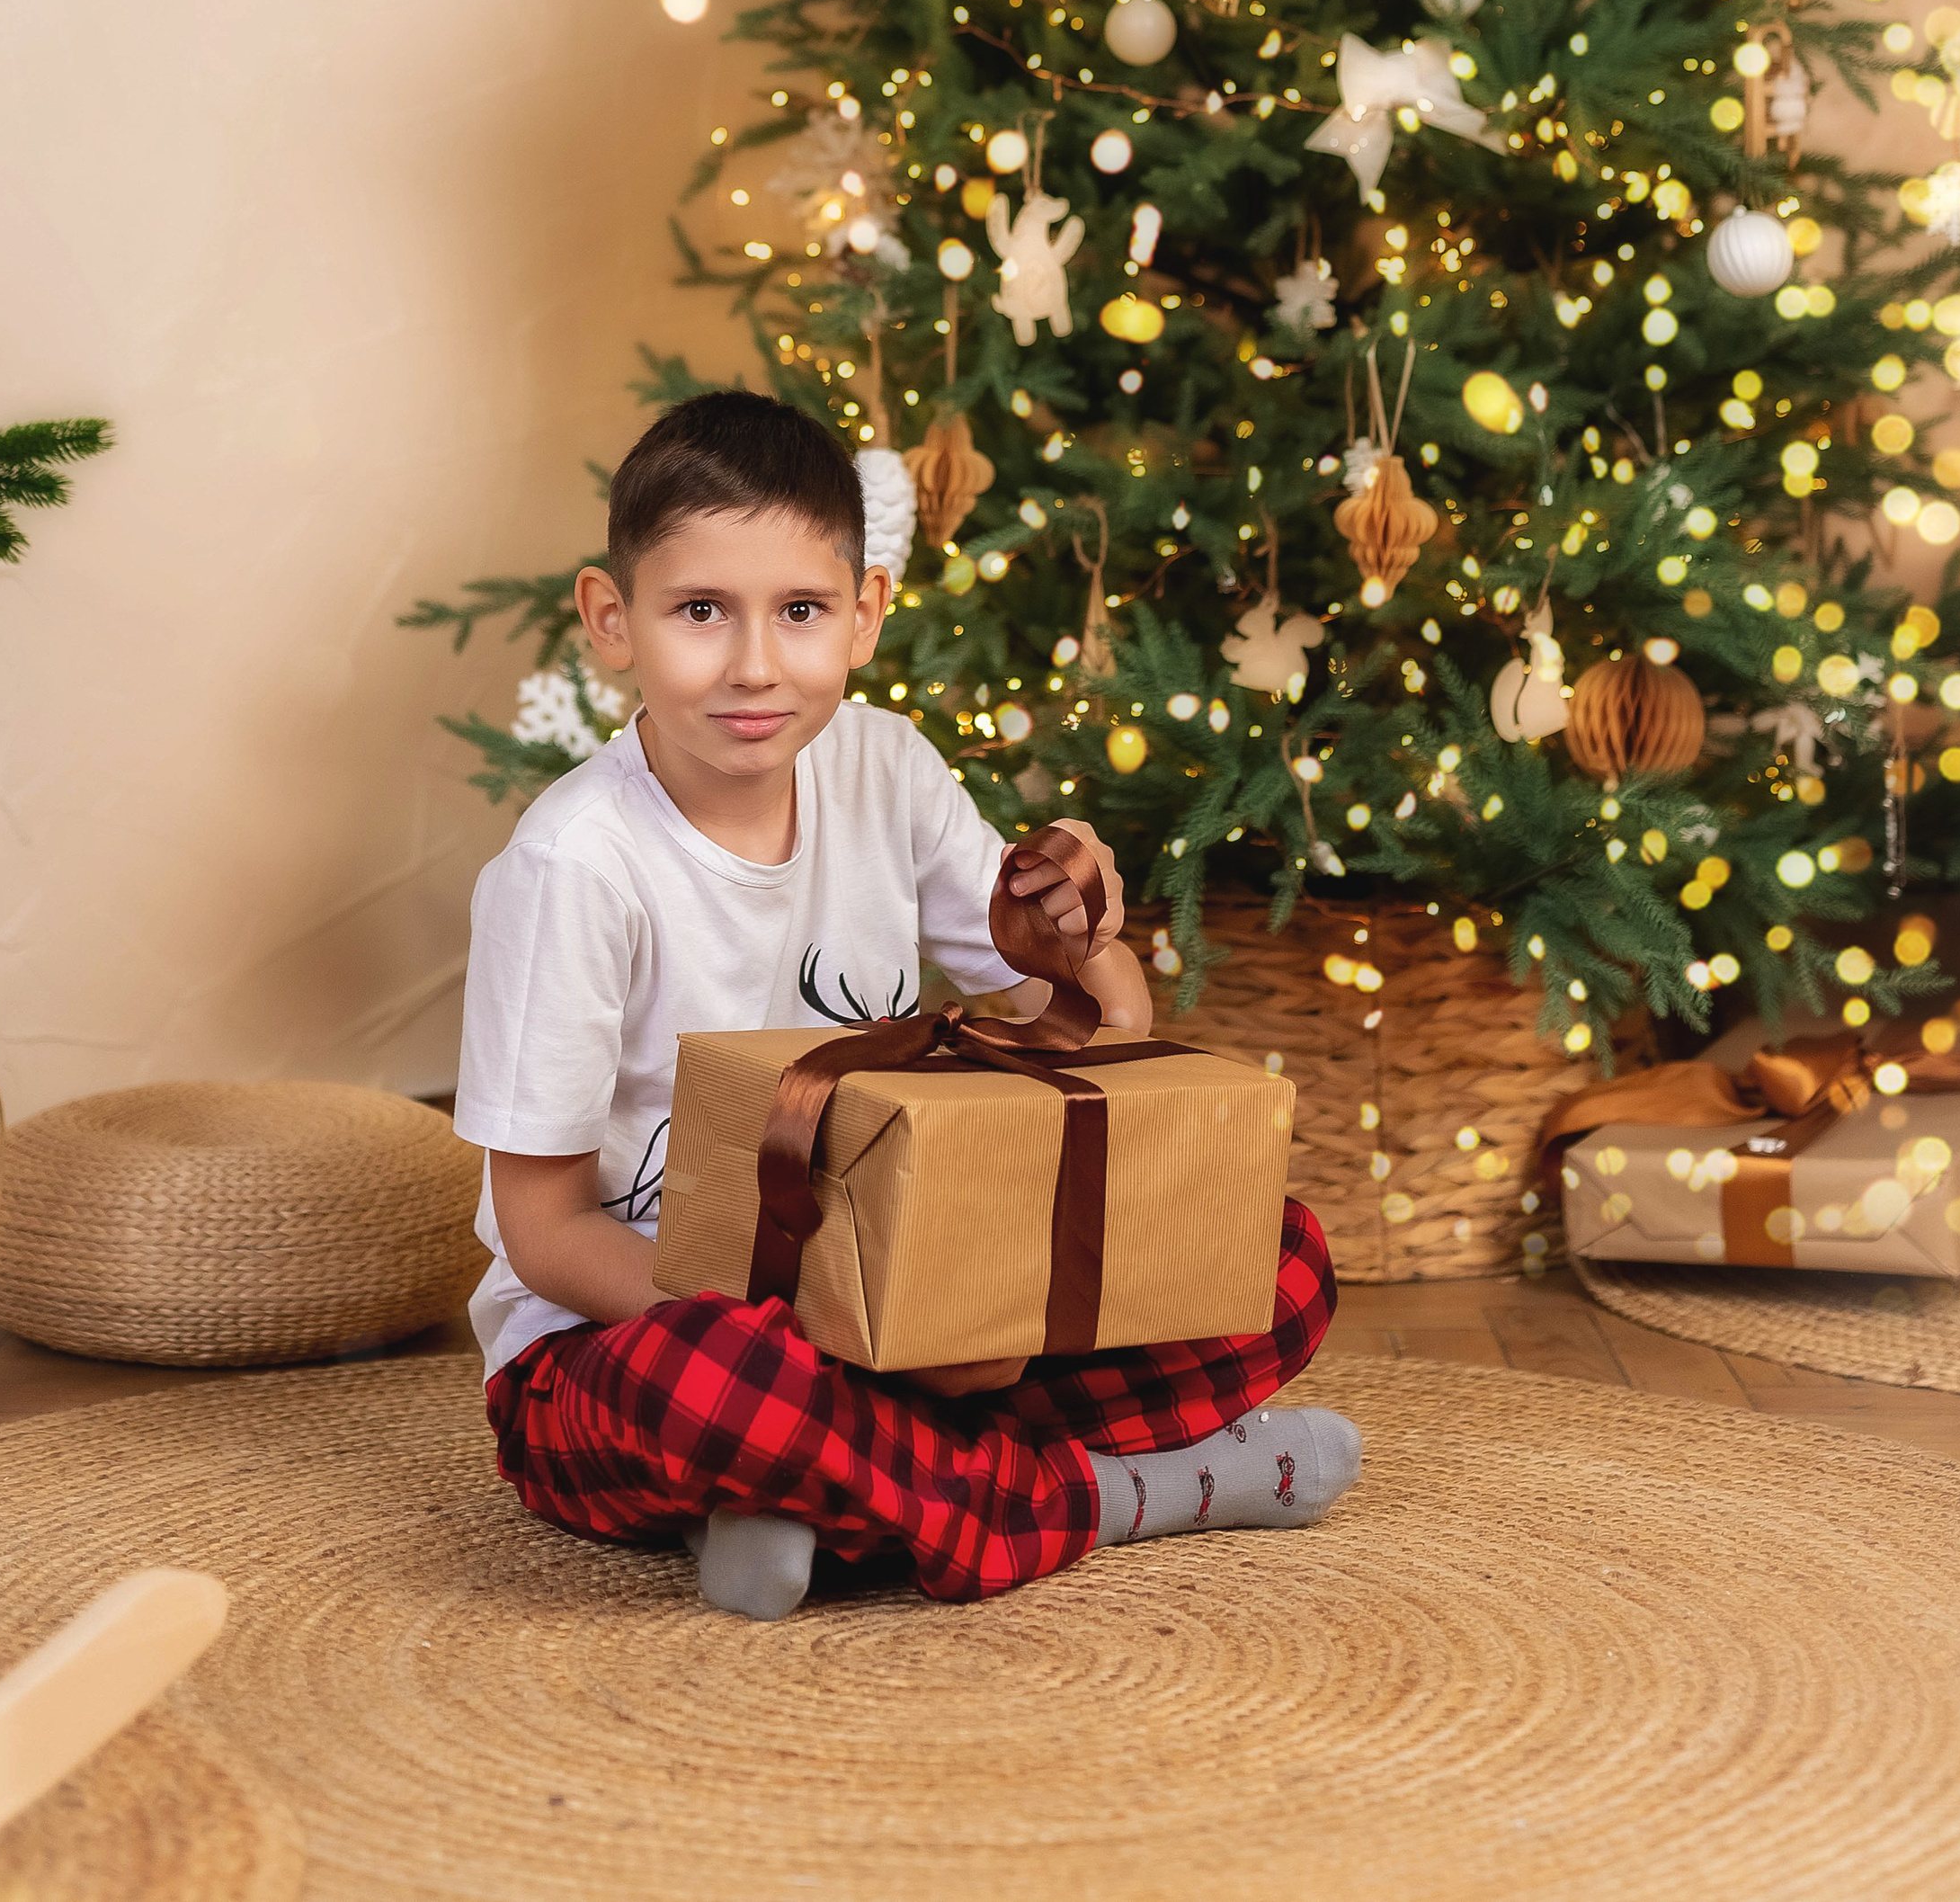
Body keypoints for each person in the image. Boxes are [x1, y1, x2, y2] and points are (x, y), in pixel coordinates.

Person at [455, 389, 1358, 1620]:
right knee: (725, 1390)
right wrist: (834, 1334)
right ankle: (1116, 1494)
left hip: (903, 1307)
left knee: (1277, 1258)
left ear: (867, 614)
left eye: (802, 611)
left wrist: (1082, 937)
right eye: (701, 611)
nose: (755, 664)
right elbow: (545, 1232)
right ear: (614, 621)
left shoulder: (887, 768)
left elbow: (1102, 1047)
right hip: (632, 1340)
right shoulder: (573, 868)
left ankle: (837, 1492)